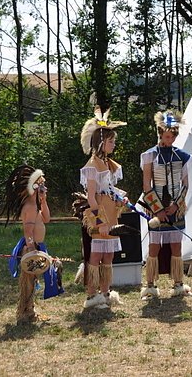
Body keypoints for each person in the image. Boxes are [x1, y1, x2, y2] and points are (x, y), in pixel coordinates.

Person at [139, 110, 192, 299]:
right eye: (168, 136)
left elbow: (185, 184)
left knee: (176, 245)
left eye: (173, 136)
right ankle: (150, 285)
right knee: (154, 246)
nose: (171, 140)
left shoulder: (182, 156)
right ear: (160, 134)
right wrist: (158, 210)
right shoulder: (149, 156)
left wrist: (176, 205)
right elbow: (146, 185)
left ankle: (178, 283)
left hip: (176, 208)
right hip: (157, 206)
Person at [0, 165, 63, 323]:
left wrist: (44, 200)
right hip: (31, 248)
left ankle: (30, 310)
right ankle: (24, 312)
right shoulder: (29, 207)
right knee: (28, 282)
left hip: (38, 246)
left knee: (33, 280)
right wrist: (32, 249)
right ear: (33, 187)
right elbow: (28, 232)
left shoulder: (36, 205)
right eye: (41, 186)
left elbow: (47, 219)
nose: (44, 188)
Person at [79, 106, 128, 310]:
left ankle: (105, 292)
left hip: (110, 213)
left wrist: (120, 199)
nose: (113, 145)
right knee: (97, 255)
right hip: (99, 215)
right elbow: (91, 196)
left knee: (109, 255)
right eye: (111, 141)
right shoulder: (92, 166)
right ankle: (92, 295)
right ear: (100, 142)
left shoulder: (108, 164)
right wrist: (100, 222)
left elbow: (108, 189)